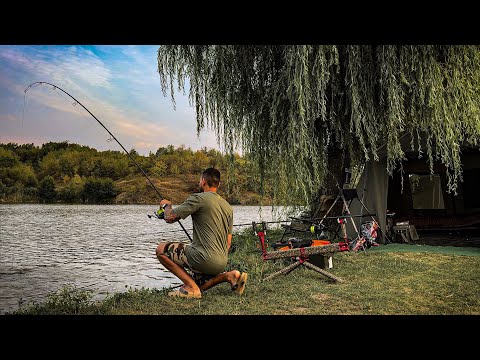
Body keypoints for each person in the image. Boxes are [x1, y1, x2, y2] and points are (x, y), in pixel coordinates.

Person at [155, 167, 248, 299]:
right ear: (218, 184)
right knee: (201, 285)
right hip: (221, 262)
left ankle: (191, 288)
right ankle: (229, 275)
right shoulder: (228, 207)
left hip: (205, 259)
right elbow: (228, 243)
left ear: (203, 181)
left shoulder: (199, 198)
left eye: (200, 180)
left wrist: (166, 205)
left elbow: (169, 218)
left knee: (160, 249)